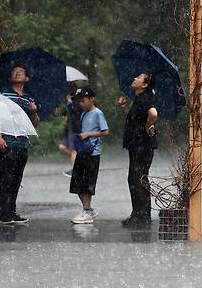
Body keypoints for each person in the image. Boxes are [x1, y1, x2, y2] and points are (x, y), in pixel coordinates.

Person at [0, 64, 40, 225]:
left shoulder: (29, 99)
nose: (18, 73)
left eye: (21, 72)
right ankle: (3, 212)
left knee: (17, 178)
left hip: (22, 143)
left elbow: (34, 124)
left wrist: (34, 111)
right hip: (7, 142)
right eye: (15, 72)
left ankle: (11, 211)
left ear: (26, 78)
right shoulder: (4, 95)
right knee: (6, 177)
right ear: (10, 78)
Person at [117, 72, 158, 228]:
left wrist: (149, 126)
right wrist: (124, 107)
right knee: (138, 178)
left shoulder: (146, 98)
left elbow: (153, 113)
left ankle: (141, 216)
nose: (134, 78)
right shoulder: (139, 99)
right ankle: (140, 214)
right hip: (138, 144)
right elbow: (135, 116)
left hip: (142, 145)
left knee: (137, 179)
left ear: (145, 85)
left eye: (139, 78)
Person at [69, 86, 109, 224]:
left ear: (92, 99)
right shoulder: (83, 114)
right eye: (79, 101)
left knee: (88, 183)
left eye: (83, 100)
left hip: (92, 153)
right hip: (82, 151)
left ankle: (86, 211)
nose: (81, 103)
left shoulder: (98, 113)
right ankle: (88, 209)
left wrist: (88, 134)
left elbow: (105, 131)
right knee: (77, 183)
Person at [58, 85, 83, 177]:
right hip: (69, 129)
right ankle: (80, 163)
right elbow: (66, 113)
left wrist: (69, 101)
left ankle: (75, 169)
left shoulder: (77, 102)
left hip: (76, 129)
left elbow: (75, 111)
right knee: (62, 147)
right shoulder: (71, 103)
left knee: (73, 150)